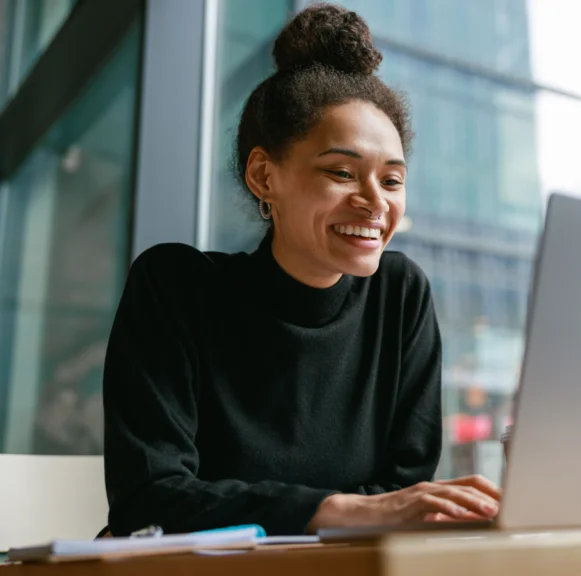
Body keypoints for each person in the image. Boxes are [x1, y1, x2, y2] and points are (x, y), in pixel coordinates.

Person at [101, 3, 500, 536]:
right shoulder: (175, 287)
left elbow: (403, 495)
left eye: (392, 180)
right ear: (265, 176)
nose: (374, 202)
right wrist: (342, 510)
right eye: (341, 171)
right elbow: (148, 498)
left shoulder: (399, 296)